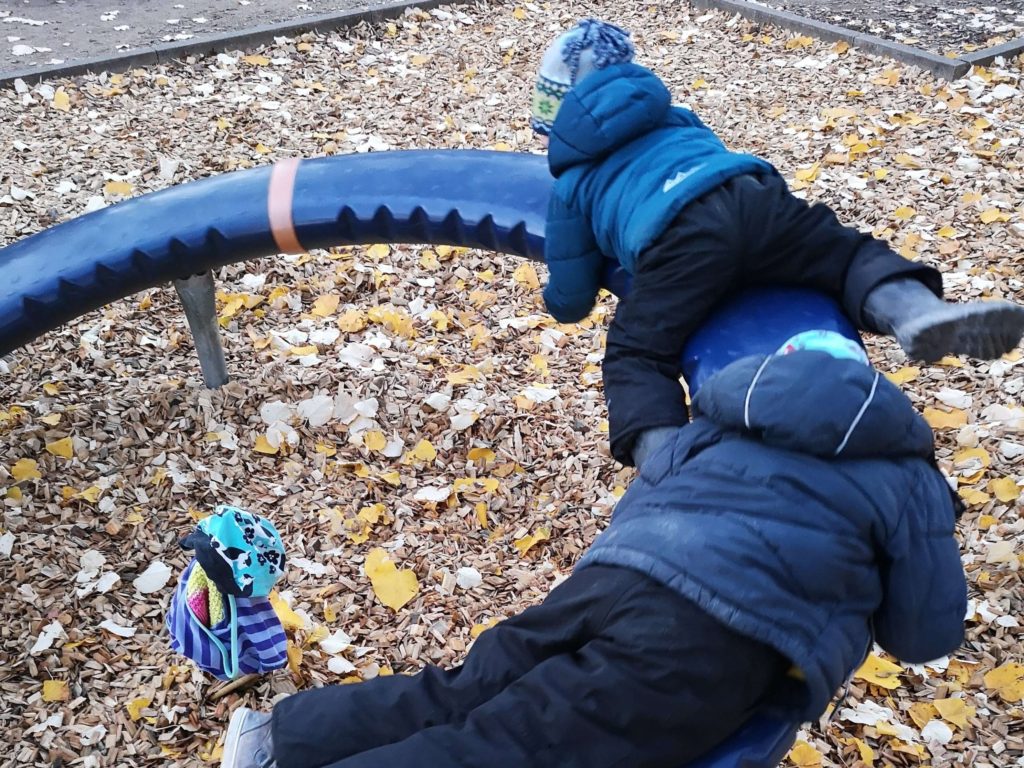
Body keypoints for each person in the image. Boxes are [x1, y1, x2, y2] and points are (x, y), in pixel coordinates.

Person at [220, 330, 967, 768]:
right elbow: (924, 632)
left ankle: (277, 739)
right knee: (516, 745)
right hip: (713, 635)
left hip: (613, 578)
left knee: (470, 686)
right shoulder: (904, 477)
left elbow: (648, 494)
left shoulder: (718, 425)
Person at [530, 19, 1024, 468]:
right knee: (846, 254)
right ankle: (913, 310)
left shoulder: (573, 183)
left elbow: (572, 287)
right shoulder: (677, 118)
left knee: (636, 354)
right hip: (753, 198)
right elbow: (711, 166)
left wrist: (559, 301)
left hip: (679, 239)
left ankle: (667, 463)